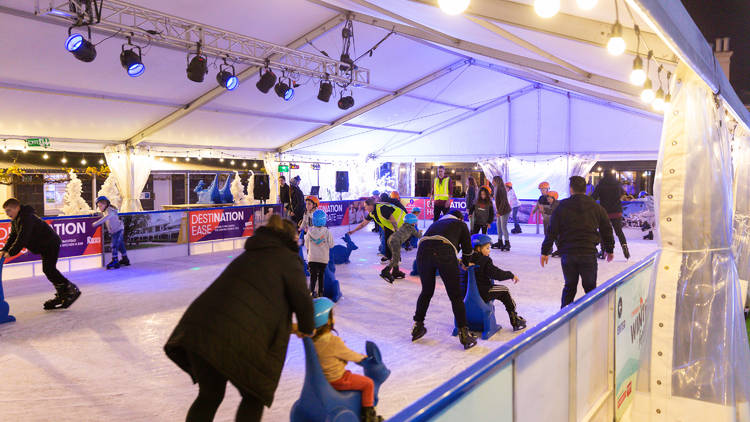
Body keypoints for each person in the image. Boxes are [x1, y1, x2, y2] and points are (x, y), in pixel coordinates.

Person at [164, 215, 314, 422]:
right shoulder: (288, 259)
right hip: (238, 338)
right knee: (253, 397)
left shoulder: (249, 255)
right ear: (290, 238)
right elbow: (302, 301)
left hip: (201, 329)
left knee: (210, 395)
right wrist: (308, 327)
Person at [540, 176, 616, 308]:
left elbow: (552, 230)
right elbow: (606, 229)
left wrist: (545, 251)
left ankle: (563, 319)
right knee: (590, 288)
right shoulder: (595, 206)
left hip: (568, 253)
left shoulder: (562, 206)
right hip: (588, 253)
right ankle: (592, 316)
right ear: (585, 189)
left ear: (571, 189)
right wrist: (609, 249)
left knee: (569, 286)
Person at [412, 209, 477, 350]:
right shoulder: (460, 224)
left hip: (422, 252)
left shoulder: (436, 223)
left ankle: (417, 326)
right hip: (444, 252)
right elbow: (467, 250)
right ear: (459, 218)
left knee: (426, 291)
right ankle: (464, 334)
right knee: (455, 296)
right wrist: (466, 263)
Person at [0, 198, 81, 310]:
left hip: (50, 243)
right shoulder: (16, 219)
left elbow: (22, 237)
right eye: (6, 211)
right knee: (48, 269)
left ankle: (70, 290)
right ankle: (64, 292)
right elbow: (13, 236)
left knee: (49, 269)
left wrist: (11, 252)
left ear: (17, 208)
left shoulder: (26, 217)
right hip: (44, 245)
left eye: (9, 210)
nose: (7, 214)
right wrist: (4, 249)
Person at [312, 297, 384, 422]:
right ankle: (368, 416)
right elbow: (350, 355)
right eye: (332, 316)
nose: (333, 319)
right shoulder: (333, 341)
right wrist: (362, 357)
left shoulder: (314, 341)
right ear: (327, 321)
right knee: (368, 383)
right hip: (337, 379)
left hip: (324, 378)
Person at [469, 234, 526, 331]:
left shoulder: (466, 259)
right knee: (505, 290)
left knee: (500, 290)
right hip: (482, 292)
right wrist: (510, 275)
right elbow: (497, 274)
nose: (489, 250)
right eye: (487, 248)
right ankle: (514, 319)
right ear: (478, 249)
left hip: (466, 294)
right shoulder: (484, 260)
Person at [348, 199, 405, 265]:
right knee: (387, 239)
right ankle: (388, 257)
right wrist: (353, 231)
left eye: (366, 206)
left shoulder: (381, 209)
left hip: (400, 222)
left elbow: (392, 219)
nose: (365, 208)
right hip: (390, 225)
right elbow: (363, 224)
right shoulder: (372, 213)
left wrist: (396, 231)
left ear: (371, 205)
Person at [592, 171, 630, 259]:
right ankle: (624, 247)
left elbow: (593, 197)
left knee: (603, 232)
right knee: (619, 232)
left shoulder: (601, 185)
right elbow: (623, 193)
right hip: (617, 212)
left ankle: (603, 250)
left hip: (605, 212)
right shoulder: (617, 185)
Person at [381, 213, 422, 283]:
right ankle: (385, 271)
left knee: (396, 256)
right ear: (413, 222)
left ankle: (395, 272)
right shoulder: (412, 228)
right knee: (396, 258)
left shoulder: (403, 225)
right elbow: (418, 236)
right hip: (396, 241)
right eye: (415, 221)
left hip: (391, 239)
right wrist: (420, 232)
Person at [92, 196, 129, 269]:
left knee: (114, 245)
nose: (99, 208)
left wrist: (96, 223)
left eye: (100, 206)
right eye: (98, 206)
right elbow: (103, 214)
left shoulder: (110, 211)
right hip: (116, 230)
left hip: (118, 230)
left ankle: (115, 261)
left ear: (105, 204)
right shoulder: (106, 210)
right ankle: (125, 259)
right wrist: (95, 213)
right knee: (121, 246)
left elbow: (107, 217)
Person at [305, 210, 334, 297]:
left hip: (312, 258)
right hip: (323, 259)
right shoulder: (327, 232)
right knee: (321, 276)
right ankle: (320, 293)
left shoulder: (309, 232)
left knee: (313, 276)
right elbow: (331, 244)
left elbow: (306, 245)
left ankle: (311, 292)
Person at [492, 176, 512, 251]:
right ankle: (500, 241)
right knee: (499, 226)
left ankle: (507, 243)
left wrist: (499, 212)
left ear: (496, 181)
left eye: (493, 181)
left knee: (503, 227)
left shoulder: (501, 188)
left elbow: (503, 201)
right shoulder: (496, 188)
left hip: (505, 210)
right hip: (500, 211)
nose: (492, 182)